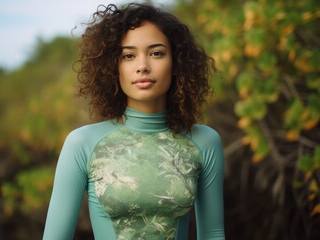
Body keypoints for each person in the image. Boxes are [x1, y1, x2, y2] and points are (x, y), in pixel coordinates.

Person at [43, 3, 225, 240]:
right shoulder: (82, 144)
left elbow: (213, 234)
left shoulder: (205, 142)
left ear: (177, 62)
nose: (142, 67)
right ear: (113, 67)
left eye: (156, 53)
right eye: (128, 56)